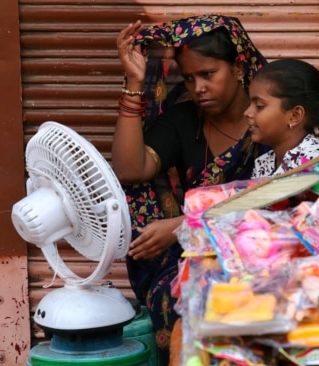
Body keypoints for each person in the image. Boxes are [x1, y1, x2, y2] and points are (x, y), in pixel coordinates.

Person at [111, 14, 269, 365]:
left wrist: (185, 224)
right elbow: (129, 169)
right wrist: (134, 83)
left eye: (208, 74)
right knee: (182, 298)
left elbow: (279, 195)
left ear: (239, 68)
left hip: (260, 249)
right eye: (189, 78)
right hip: (192, 257)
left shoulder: (269, 120)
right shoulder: (185, 121)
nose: (198, 88)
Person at [244, 58, 319, 178]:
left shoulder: (317, 167)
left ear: (295, 116)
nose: (247, 113)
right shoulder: (264, 162)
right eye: (250, 105)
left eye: (259, 106)